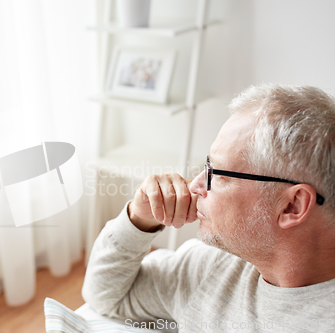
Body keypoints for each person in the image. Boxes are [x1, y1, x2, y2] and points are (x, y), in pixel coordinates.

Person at [82, 84, 335, 332]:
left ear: (292, 206)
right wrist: (139, 220)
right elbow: (106, 296)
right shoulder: (210, 267)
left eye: (218, 173)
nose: (194, 184)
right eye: (206, 165)